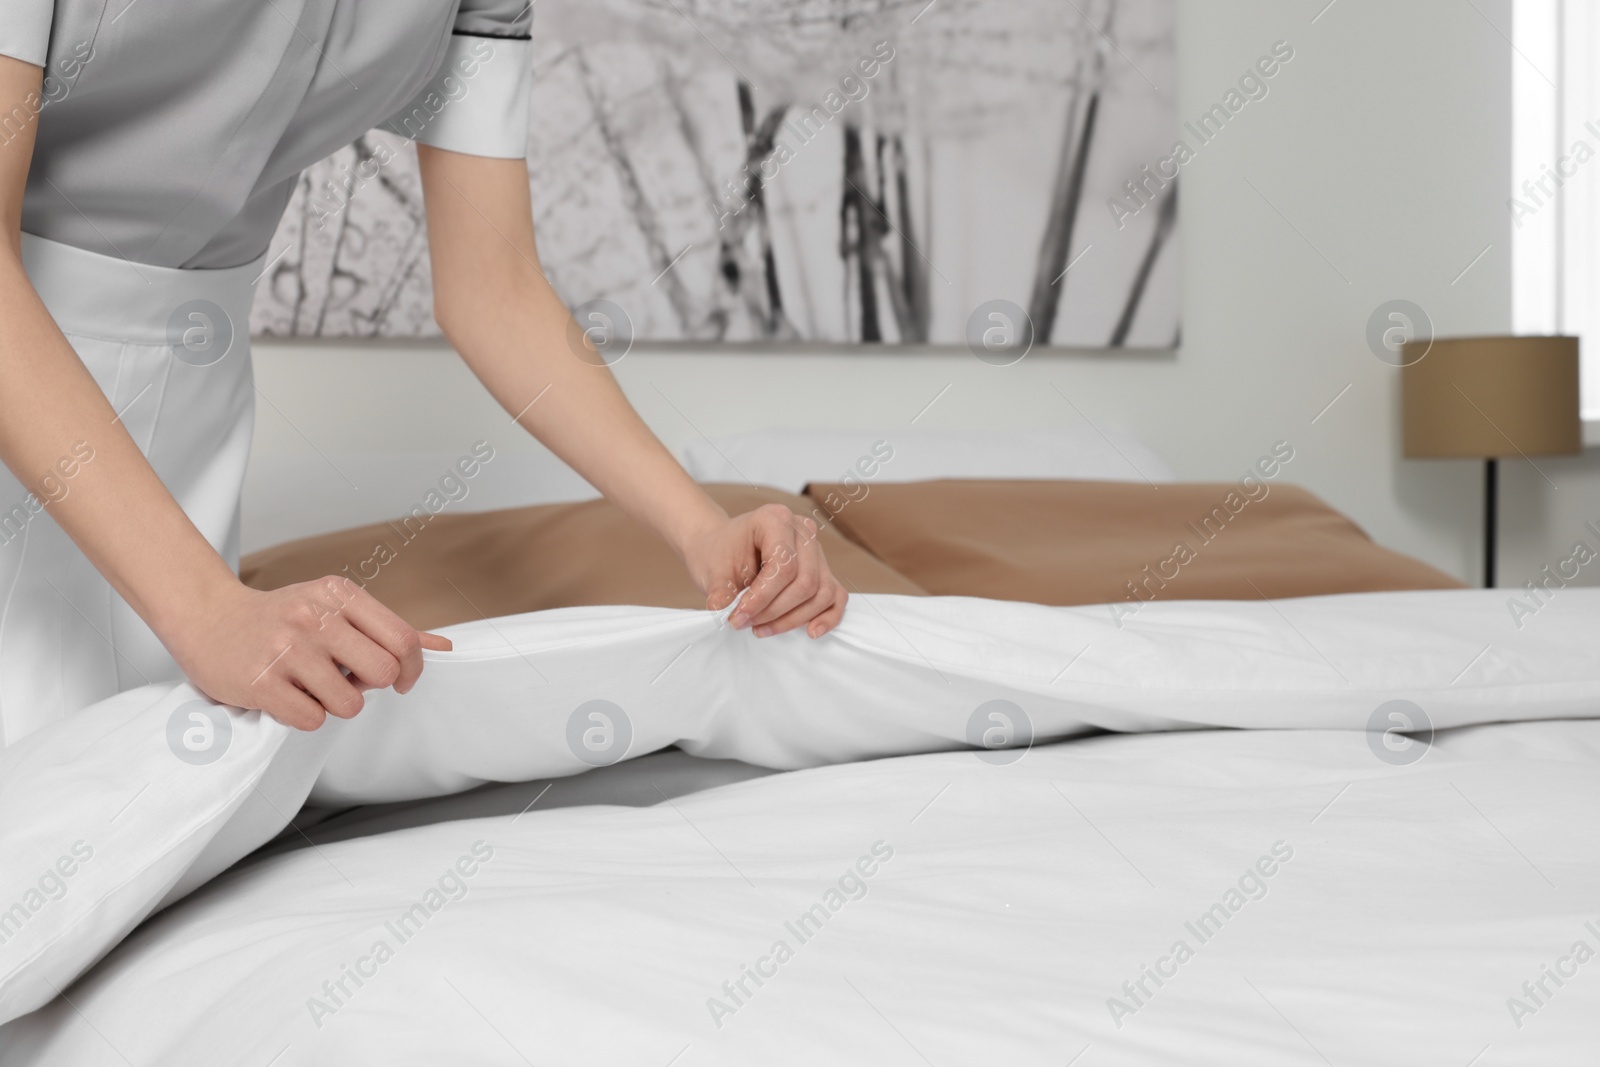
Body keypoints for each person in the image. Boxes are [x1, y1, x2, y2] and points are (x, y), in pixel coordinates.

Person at [0, 1, 847, 748]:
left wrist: (702, 531)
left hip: (186, 433)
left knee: (147, 823)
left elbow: (495, 288)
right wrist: (208, 608)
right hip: (27, 387)